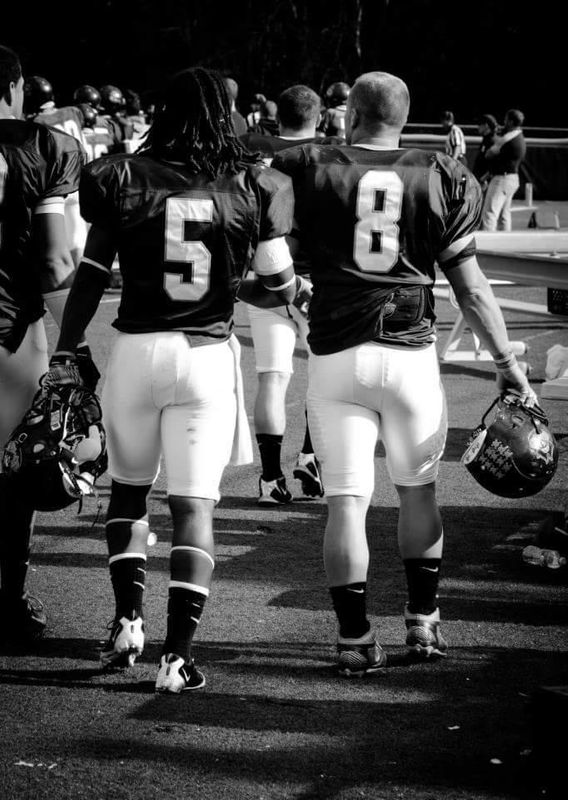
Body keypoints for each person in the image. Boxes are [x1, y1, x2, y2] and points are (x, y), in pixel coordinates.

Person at [272, 71, 536, 675]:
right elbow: (471, 288)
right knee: (417, 490)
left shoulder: (310, 165)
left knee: (345, 503)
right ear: (405, 116)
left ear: (350, 113)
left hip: (337, 355)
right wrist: (505, 364)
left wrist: (288, 285)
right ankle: (423, 624)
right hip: (410, 354)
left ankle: (354, 638)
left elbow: (255, 218)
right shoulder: (439, 173)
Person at [47, 66, 298, 693]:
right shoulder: (252, 183)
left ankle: (128, 622)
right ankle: (176, 658)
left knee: (129, 492)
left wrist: (69, 344)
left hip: (135, 348)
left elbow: (90, 272)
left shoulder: (123, 175)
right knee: (193, 505)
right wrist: (300, 298)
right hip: (206, 354)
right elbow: (277, 278)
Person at [0, 45, 86, 642]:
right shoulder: (44, 145)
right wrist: (75, 344)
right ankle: (9, 597)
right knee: (17, 466)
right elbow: (57, 262)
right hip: (11, 326)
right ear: (15, 87)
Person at [241, 84, 340, 503]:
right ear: (317, 117)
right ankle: (310, 455)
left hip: (266, 278)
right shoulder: (333, 153)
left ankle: (269, 480)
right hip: (316, 280)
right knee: (324, 377)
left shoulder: (249, 150)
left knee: (272, 378)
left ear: (276, 115)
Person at [25, 75, 88, 268]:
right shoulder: (74, 112)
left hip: (55, 188)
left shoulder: (35, 122)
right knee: (78, 239)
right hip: (80, 180)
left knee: (58, 244)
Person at [481, 108, 527, 232]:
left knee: (490, 213)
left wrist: (495, 137)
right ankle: (506, 245)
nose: (504, 122)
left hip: (502, 179)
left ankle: (487, 247)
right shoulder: (520, 136)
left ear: (511, 122)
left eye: (506, 120)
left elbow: (488, 154)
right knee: (504, 215)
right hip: (513, 178)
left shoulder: (507, 138)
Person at [471, 113, 499, 190]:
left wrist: (484, 179)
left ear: (486, 125)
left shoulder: (492, 140)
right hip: (480, 181)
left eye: (480, 124)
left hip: (486, 183)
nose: (478, 127)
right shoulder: (486, 139)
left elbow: (494, 164)